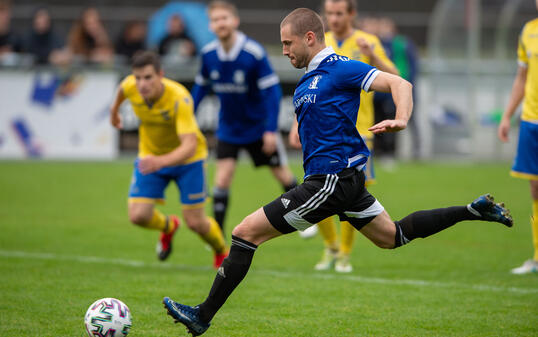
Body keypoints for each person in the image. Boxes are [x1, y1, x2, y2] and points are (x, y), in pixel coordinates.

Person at [162, 8, 513, 335]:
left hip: (330, 179)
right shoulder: (308, 80)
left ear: (310, 38)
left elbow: (400, 84)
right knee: (392, 237)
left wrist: (402, 118)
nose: (283, 50)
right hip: (341, 181)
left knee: (244, 233)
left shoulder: (340, 67)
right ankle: (471, 211)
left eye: (288, 43)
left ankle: (202, 316)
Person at [290, 0, 399, 273]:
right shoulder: (320, 46)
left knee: (352, 193)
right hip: (323, 130)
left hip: (360, 130)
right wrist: (296, 125)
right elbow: (310, 90)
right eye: (329, 13)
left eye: (339, 13)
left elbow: (395, 78)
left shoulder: (368, 41)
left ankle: (345, 254)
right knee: (314, 184)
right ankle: (330, 246)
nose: (334, 18)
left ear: (352, 14)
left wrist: (372, 56)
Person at [109, 51, 228, 268]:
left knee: (196, 223)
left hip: (188, 161)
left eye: (148, 77)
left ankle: (221, 250)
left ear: (160, 75)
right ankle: (168, 226)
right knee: (138, 216)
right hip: (151, 156)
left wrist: (160, 162)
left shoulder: (179, 98)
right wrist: (114, 111)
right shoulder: (130, 86)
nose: (141, 84)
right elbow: (121, 91)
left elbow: (189, 145)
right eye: (138, 78)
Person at [191, 1, 298, 233]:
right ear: (210, 25)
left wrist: (270, 130)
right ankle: (217, 236)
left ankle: (305, 218)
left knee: (283, 174)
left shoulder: (253, 52)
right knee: (221, 181)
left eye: (224, 18)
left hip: (258, 128)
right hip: (229, 128)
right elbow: (200, 89)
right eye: (215, 20)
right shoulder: (208, 55)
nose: (220, 23)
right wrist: (188, 119)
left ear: (235, 21)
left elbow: (272, 92)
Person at [498, 2, 538, 275]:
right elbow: (522, 78)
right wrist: (507, 115)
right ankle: (537, 257)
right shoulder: (528, 31)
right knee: (536, 189)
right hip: (531, 120)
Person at [373, 16, 421, 162]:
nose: (383, 29)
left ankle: (416, 151)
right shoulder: (379, 44)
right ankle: (383, 152)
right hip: (387, 92)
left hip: (404, 89)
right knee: (386, 121)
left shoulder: (402, 44)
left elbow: (412, 67)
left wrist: (406, 83)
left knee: (409, 120)